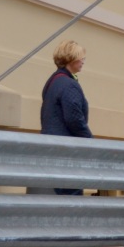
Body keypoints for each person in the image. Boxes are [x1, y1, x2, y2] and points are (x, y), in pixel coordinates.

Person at [41, 40, 92, 195]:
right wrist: (89, 139)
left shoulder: (53, 81)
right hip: (68, 150)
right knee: (71, 195)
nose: (83, 61)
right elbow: (74, 118)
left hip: (52, 146)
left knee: (61, 193)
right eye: (81, 58)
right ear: (72, 59)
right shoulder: (69, 84)